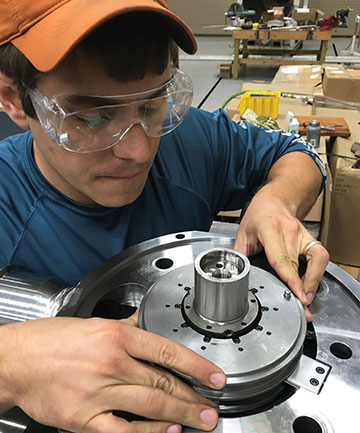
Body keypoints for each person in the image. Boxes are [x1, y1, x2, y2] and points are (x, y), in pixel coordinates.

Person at [0, 0, 329, 432]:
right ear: (14, 100)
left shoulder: (190, 138)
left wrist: (277, 199)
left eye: (151, 105)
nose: (137, 151)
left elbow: (297, 153)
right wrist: (12, 363)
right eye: (94, 117)